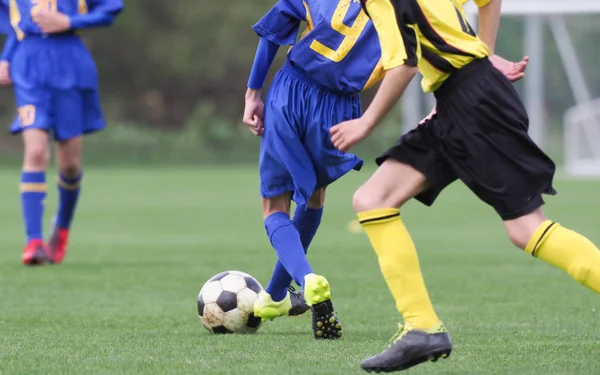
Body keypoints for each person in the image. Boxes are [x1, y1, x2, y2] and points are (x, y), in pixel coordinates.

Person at [330, 0, 600, 372]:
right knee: (373, 198)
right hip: (459, 101)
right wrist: (485, 55)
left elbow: (404, 64)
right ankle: (422, 328)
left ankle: (422, 328)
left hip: (474, 102)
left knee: (525, 228)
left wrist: (366, 122)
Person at [242, 0, 387, 339]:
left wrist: (253, 92)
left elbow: (272, 34)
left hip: (293, 89)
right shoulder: (408, 10)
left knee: (274, 206)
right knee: (314, 199)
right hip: (339, 107)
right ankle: (275, 296)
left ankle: (307, 279)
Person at [0, 0, 123, 266]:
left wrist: (69, 22)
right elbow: (18, 26)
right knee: (35, 150)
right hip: (29, 65)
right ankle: (34, 241)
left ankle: (62, 227)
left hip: (71, 64)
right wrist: (5, 58)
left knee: (69, 165)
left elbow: (110, 11)